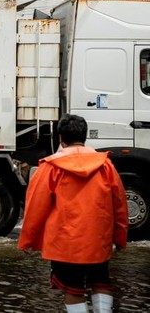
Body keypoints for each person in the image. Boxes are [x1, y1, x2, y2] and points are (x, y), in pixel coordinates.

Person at [18, 114, 128, 313]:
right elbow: (119, 203)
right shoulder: (105, 166)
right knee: (101, 283)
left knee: (73, 288)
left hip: (65, 243)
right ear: (85, 136)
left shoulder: (50, 167)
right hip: (98, 240)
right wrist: (120, 237)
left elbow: (36, 205)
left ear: (61, 138)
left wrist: (27, 240)